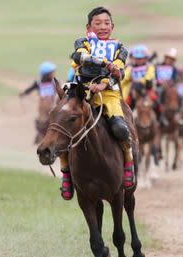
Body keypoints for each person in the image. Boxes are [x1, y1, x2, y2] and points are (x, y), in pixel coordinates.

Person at [60, 6, 134, 200]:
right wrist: (102, 64)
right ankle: (66, 173)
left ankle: (128, 163)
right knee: (61, 125)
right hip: (81, 91)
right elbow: (80, 57)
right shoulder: (82, 42)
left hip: (108, 94)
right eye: (98, 23)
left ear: (113, 26)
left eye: (106, 23)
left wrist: (107, 81)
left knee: (120, 128)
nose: (103, 27)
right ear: (89, 26)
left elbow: (120, 70)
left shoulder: (120, 48)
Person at [121, 44, 156, 110]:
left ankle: (159, 117)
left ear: (146, 58)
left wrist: (141, 81)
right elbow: (124, 78)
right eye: (136, 58)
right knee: (126, 102)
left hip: (145, 88)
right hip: (132, 90)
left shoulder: (149, 66)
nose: (138, 60)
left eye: (140, 58)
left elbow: (149, 76)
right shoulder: (130, 67)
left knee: (156, 101)